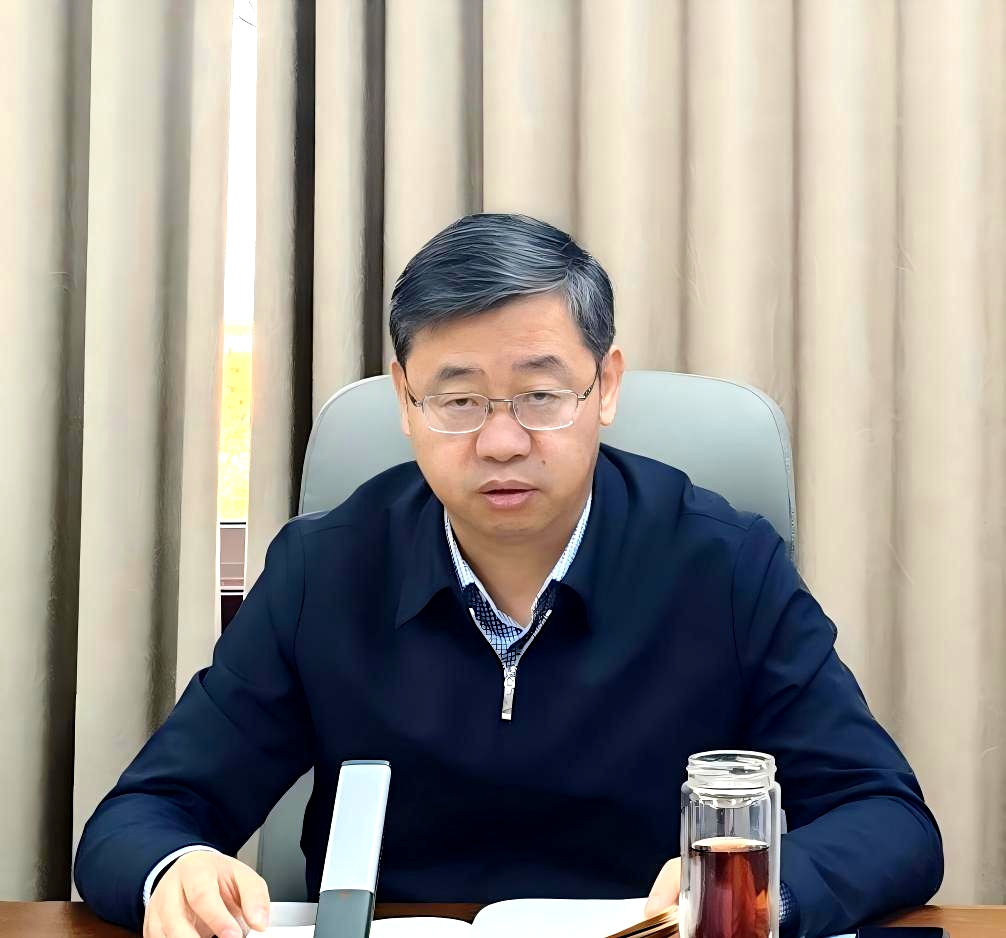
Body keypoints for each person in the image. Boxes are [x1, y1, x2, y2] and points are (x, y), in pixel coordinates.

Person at [74, 213, 943, 938]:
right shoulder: (323, 570)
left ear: (606, 386)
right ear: (404, 400)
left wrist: (750, 895)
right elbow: (140, 818)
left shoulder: (725, 565)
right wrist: (173, 869)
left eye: (540, 395)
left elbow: (888, 818)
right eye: (458, 400)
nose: (500, 441)